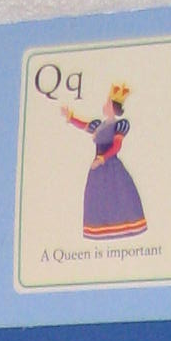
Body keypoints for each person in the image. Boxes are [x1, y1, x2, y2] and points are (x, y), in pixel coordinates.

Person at [66, 83, 146, 241]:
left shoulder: (119, 125)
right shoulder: (100, 125)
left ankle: (123, 226)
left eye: (107, 103)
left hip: (110, 165)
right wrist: (70, 117)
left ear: (112, 107)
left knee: (117, 195)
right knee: (98, 198)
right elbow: (84, 125)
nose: (105, 105)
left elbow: (116, 146)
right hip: (98, 169)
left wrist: (102, 159)